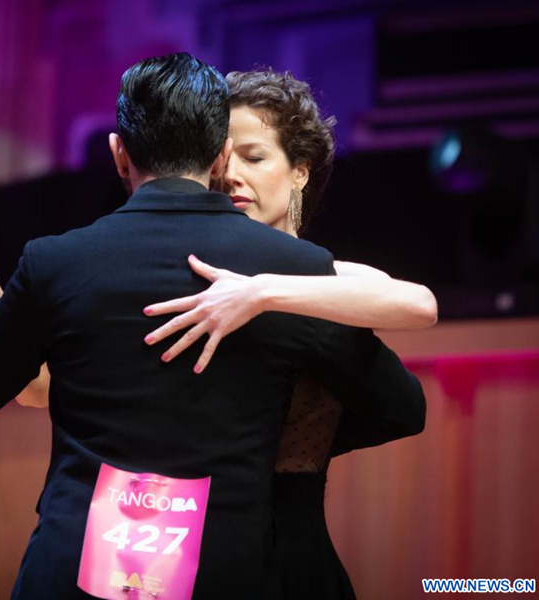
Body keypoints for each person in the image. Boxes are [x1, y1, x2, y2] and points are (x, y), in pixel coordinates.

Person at [0, 53, 425, 599]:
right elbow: (401, 405)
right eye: (237, 155)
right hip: (226, 569)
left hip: (71, 571)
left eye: (259, 157)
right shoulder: (297, 270)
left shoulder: (59, 260)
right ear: (218, 153)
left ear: (118, 153)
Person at [140, 68, 437, 599]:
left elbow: (420, 305)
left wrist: (262, 292)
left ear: (299, 172)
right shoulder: (186, 276)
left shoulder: (327, 276)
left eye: (254, 158)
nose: (231, 176)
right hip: (171, 537)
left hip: (286, 547)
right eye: (221, 162)